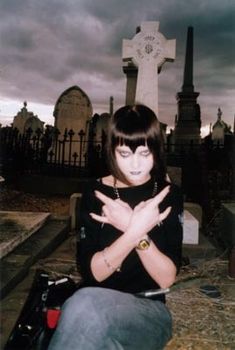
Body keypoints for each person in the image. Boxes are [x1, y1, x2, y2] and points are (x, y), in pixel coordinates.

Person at [48, 104, 183, 350]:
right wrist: (133, 230)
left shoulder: (168, 195)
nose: (135, 165)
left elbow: (166, 277)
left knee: (84, 307)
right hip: (92, 305)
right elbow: (95, 273)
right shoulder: (94, 192)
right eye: (124, 153)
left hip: (147, 311)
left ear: (156, 150)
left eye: (144, 153)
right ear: (111, 151)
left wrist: (136, 232)